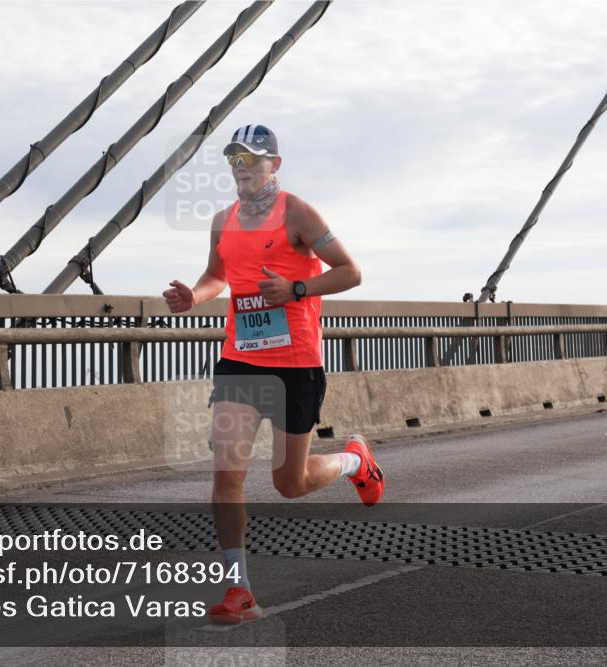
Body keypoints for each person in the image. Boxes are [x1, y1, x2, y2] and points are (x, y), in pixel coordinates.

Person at [162, 124, 385, 625]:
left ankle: (354, 461)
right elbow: (217, 274)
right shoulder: (223, 220)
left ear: (274, 165)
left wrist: (297, 289)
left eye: (251, 159)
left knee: (291, 482)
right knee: (227, 474)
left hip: (296, 365)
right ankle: (239, 590)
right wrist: (193, 297)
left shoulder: (298, 213)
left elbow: (350, 271)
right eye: (234, 159)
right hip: (241, 360)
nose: (241, 168)